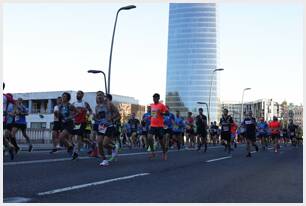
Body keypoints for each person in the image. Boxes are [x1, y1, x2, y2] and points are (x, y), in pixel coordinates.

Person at [71, 90, 92, 160]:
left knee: (79, 137)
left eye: (79, 94)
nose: (77, 95)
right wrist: (73, 119)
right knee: (77, 138)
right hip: (75, 122)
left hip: (83, 122)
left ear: (82, 95)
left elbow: (90, 111)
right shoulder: (73, 104)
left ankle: (76, 152)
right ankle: (92, 144)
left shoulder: (85, 103)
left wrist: (88, 116)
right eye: (77, 94)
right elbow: (71, 113)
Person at [147, 93, 168, 160]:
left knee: (161, 141)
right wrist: (148, 117)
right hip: (153, 125)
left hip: (160, 126)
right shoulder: (152, 105)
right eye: (153, 97)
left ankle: (164, 153)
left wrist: (161, 113)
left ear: (158, 98)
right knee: (149, 137)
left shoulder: (162, 105)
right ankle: (153, 152)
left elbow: (167, 113)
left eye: (155, 97)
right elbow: (153, 115)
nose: (154, 99)